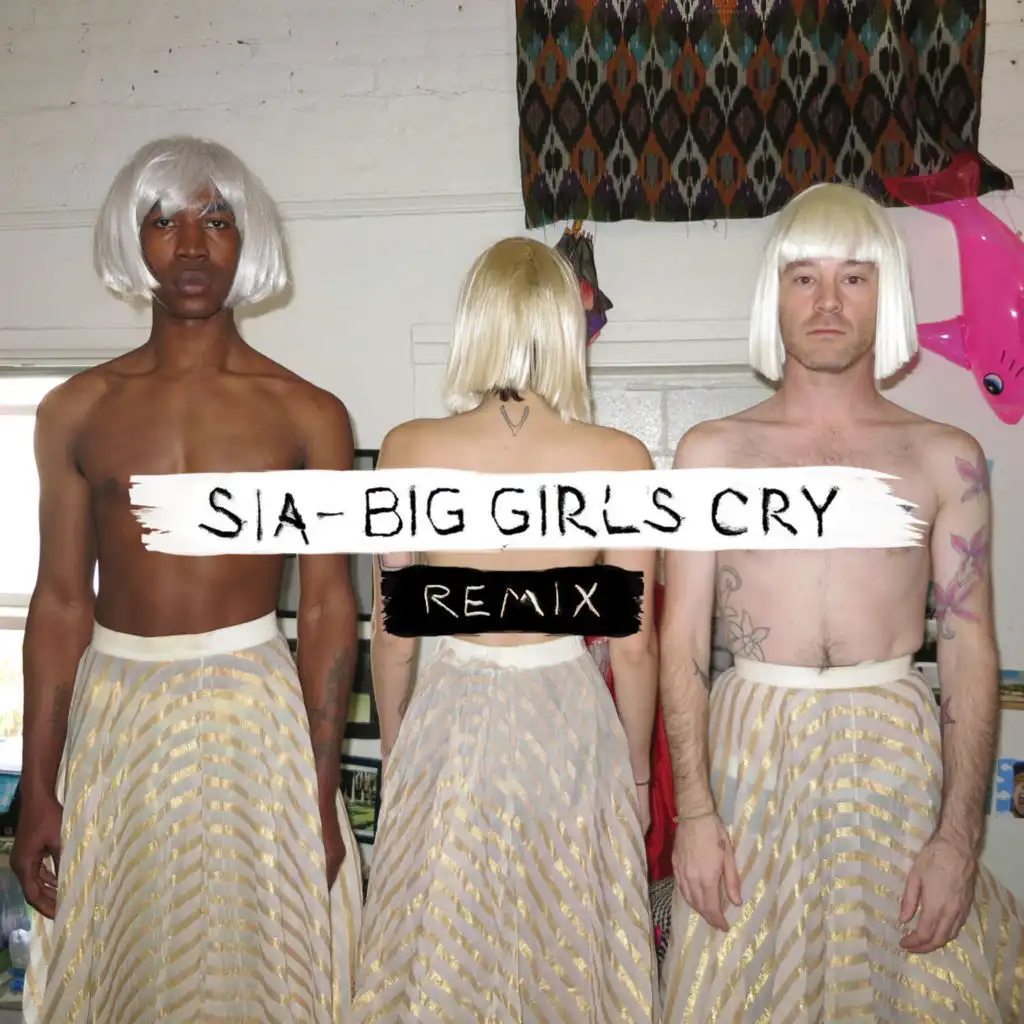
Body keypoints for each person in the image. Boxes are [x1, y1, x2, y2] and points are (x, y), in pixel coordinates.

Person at [12, 135, 363, 1023]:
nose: (193, 245)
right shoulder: (74, 411)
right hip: (116, 715)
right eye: (163, 221)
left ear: (249, 240)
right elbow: (61, 603)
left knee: (260, 968)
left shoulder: (309, 416)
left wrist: (320, 794)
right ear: (131, 241)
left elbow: (328, 607)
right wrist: (37, 787)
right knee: (122, 966)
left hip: (254, 715)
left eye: (217, 219)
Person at [658, 182, 1024, 1022]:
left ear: (885, 296)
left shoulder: (944, 455)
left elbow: (969, 645)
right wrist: (695, 815)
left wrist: (958, 839)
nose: (828, 302)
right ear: (775, 297)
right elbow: (681, 645)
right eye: (805, 278)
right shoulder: (712, 453)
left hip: (895, 753)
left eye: (853, 278)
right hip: (748, 755)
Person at [350, 237, 660, 1022]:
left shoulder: (408, 448)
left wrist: (397, 745)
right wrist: (637, 779)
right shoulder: (621, 458)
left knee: (448, 936)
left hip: (451, 713)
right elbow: (634, 644)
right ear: (564, 326)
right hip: (571, 716)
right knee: (567, 938)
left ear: (475, 323)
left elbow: (393, 628)